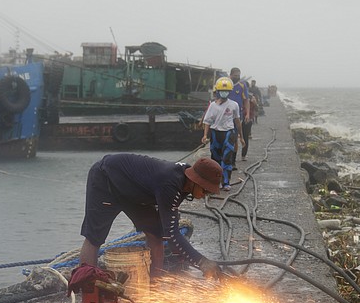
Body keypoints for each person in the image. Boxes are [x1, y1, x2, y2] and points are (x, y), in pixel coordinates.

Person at [79, 154, 223, 279]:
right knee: (94, 237)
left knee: (156, 233)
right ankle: (86, 285)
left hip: (134, 193)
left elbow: (168, 228)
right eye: (205, 190)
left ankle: (155, 285)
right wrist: (202, 262)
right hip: (106, 179)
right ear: (195, 180)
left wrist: (186, 253)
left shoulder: (184, 182)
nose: (205, 195)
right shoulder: (170, 183)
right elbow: (172, 235)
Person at [201, 77, 244, 191]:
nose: (224, 93)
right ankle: (216, 182)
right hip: (215, 134)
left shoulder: (234, 105)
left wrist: (241, 136)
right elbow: (207, 122)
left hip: (229, 133)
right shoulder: (213, 106)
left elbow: (237, 122)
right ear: (218, 91)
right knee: (215, 159)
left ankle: (226, 182)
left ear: (229, 92)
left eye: (226, 91)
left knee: (226, 159)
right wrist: (205, 135)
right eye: (222, 91)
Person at [228, 67, 251, 161]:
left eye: (238, 76)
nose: (237, 77)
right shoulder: (226, 84)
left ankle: (233, 160)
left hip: (237, 115)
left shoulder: (242, 85)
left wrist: (247, 114)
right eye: (235, 75)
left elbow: (246, 100)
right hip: (225, 115)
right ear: (231, 75)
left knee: (235, 137)